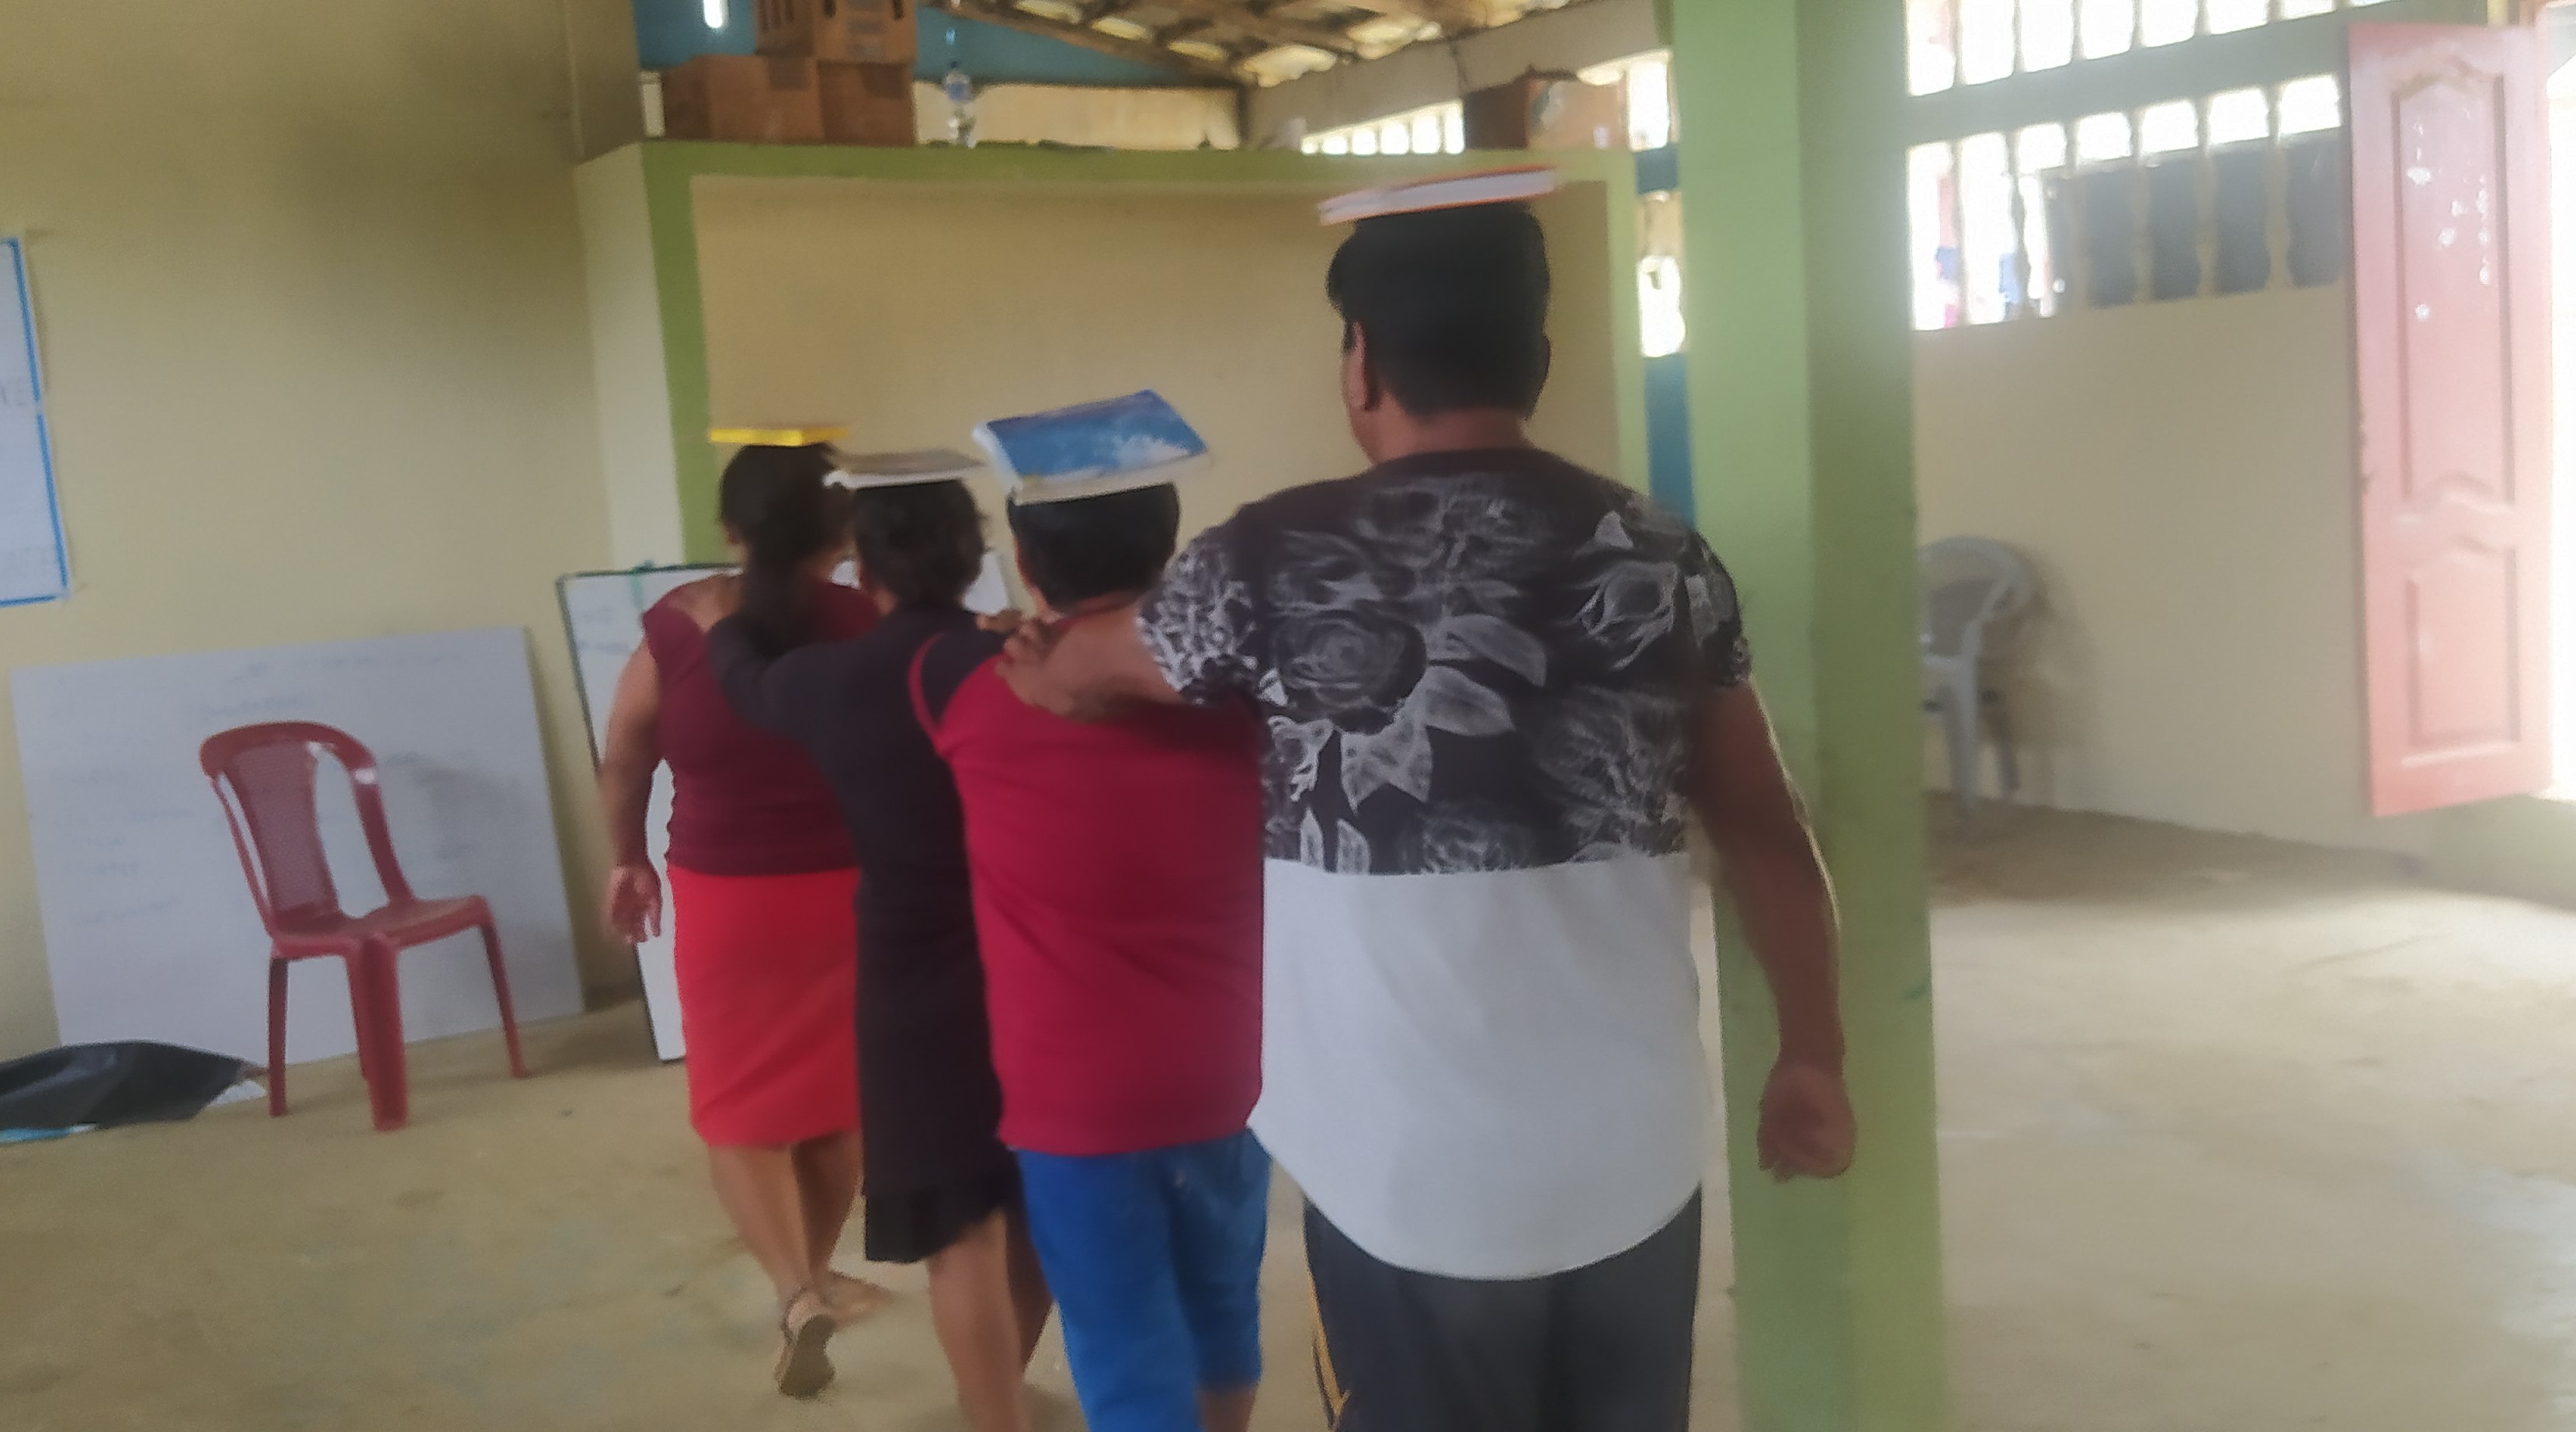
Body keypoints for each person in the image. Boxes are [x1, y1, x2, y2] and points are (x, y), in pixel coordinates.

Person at [998, 200, 1859, 1432]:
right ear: (1539, 361)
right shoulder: (1663, 555)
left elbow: (1086, 673)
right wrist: (1813, 1052)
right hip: (1632, 1163)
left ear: (1361, 362)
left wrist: (1042, 664)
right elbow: (1768, 830)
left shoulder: (1270, 560)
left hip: (1401, 1182)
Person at [908, 479, 1269, 1432]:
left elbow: (936, 657)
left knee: (1122, 1345)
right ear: (1168, 547)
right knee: (1223, 1307)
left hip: (1074, 1099)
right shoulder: (1246, 697)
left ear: (1026, 564)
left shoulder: (962, 688)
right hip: (1233, 1075)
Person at [707, 473, 1053, 1432]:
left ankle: (995, 1417)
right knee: (1034, 1204)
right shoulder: (1019, 659)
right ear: (973, 557)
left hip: (916, 985)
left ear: (863, 568)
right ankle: (1008, 1387)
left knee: (958, 1229)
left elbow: (743, 681)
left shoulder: (835, 679)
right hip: (1039, 964)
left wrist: (726, 617)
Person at [594, 442, 884, 1399]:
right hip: (846, 891)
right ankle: (820, 1273)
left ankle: (795, 1293)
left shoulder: (680, 625)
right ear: (839, 535)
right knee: (836, 1104)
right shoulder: (864, 623)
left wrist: (628, 856)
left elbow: (626, 754)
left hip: (729, 896)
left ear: (730, 527)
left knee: (739, 1107)